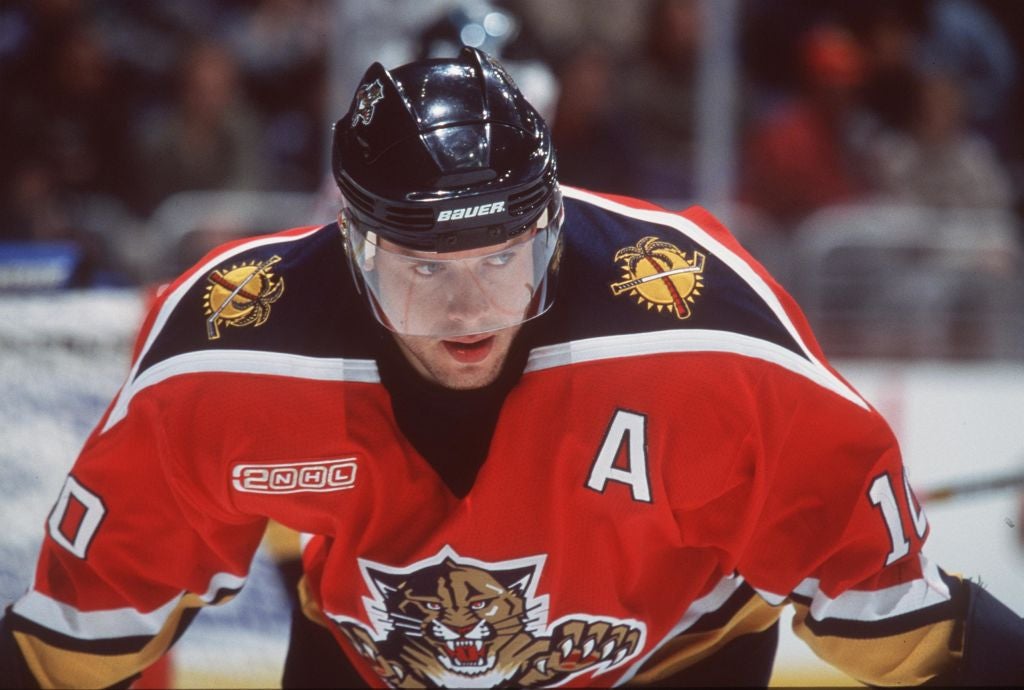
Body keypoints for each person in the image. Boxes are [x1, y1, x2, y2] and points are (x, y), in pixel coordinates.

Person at [2, 47, 1022, 689]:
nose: (467, 308)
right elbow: (77, 630)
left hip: (670, 657)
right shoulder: (225, 354)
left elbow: (902, 619)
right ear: (353, 246)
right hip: (374, 654)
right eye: (422, 268)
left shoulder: (705, 340)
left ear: (551, 227)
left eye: (502, 259)